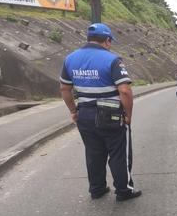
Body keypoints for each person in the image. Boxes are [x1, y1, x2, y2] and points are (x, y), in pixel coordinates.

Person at [59, 23, 141, 201]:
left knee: (93, 152)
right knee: (118, 153)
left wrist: (73, 110)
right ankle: (124, 191)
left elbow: (65, 89)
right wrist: (128, 115)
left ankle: (97, 189)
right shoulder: (112, 60)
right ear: (108, 40)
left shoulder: (70, 59)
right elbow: (125, 91)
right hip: (110, 114)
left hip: (85, 114)